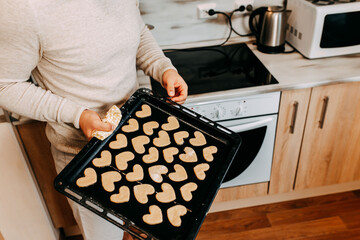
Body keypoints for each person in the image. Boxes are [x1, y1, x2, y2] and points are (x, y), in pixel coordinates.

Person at [0, 1, 188, 240]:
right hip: (83, 155)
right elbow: (5, 85)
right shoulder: (22, 8)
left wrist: (162, 67)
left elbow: (137, 30)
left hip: (138, 137)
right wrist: (77, 115)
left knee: (142, 223)